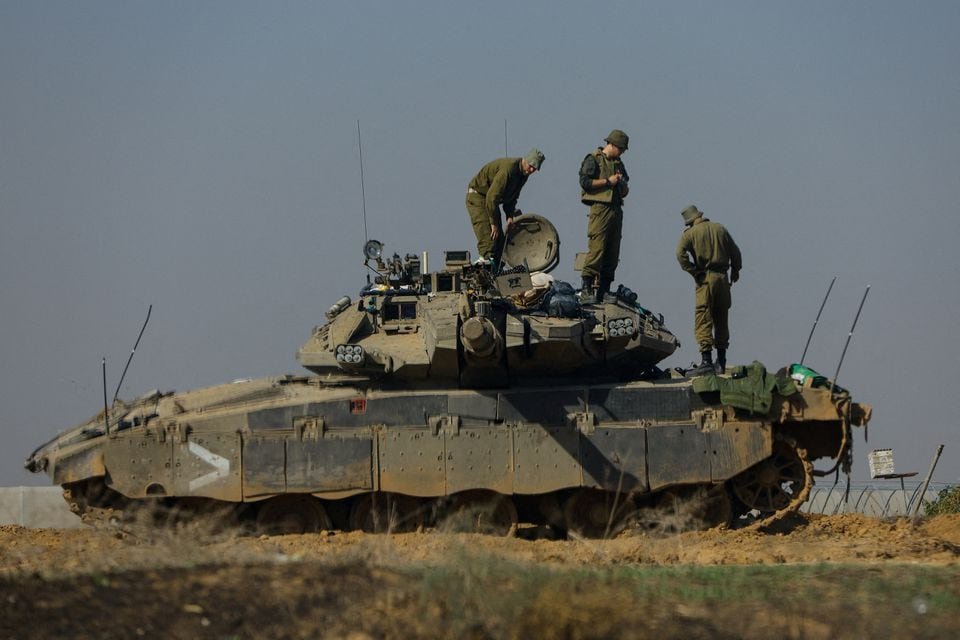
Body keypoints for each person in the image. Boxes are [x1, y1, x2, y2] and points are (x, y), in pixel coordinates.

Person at [675, 205, 742, 375]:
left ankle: (706, 362)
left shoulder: (690, 234)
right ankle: (721, 361)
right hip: (723, 279)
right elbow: (736, 252)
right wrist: (735, 270)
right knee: (721, 319)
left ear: (690, 222)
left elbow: (679, 254)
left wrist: (694, 272)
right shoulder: (720, 229)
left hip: (706, 279)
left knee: (703, 318)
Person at [466, 148, 544, 265]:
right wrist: (493, 223)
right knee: (489, 238)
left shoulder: (523, 175)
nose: (531, 170)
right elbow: (492, 197)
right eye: (531, 165)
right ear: (525, 160)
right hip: (478, 197)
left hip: (492, 202)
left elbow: (512, 197)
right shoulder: (508, 170)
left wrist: (509, 217)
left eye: (535, 168)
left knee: (500, 243)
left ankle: (496, 268)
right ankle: (484, 264)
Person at [578, 129, 630, 303]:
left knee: (612, 252)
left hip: (616, 209)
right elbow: (585, 183)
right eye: (620, 149)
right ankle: (586, 288)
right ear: (612, 145)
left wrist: (621, 185)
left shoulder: (619, 164)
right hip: (600, 209)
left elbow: (625, 189)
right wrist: (608, 181)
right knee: (597, 248)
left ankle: (604, 290)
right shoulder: (594, 159)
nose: (621, 153)